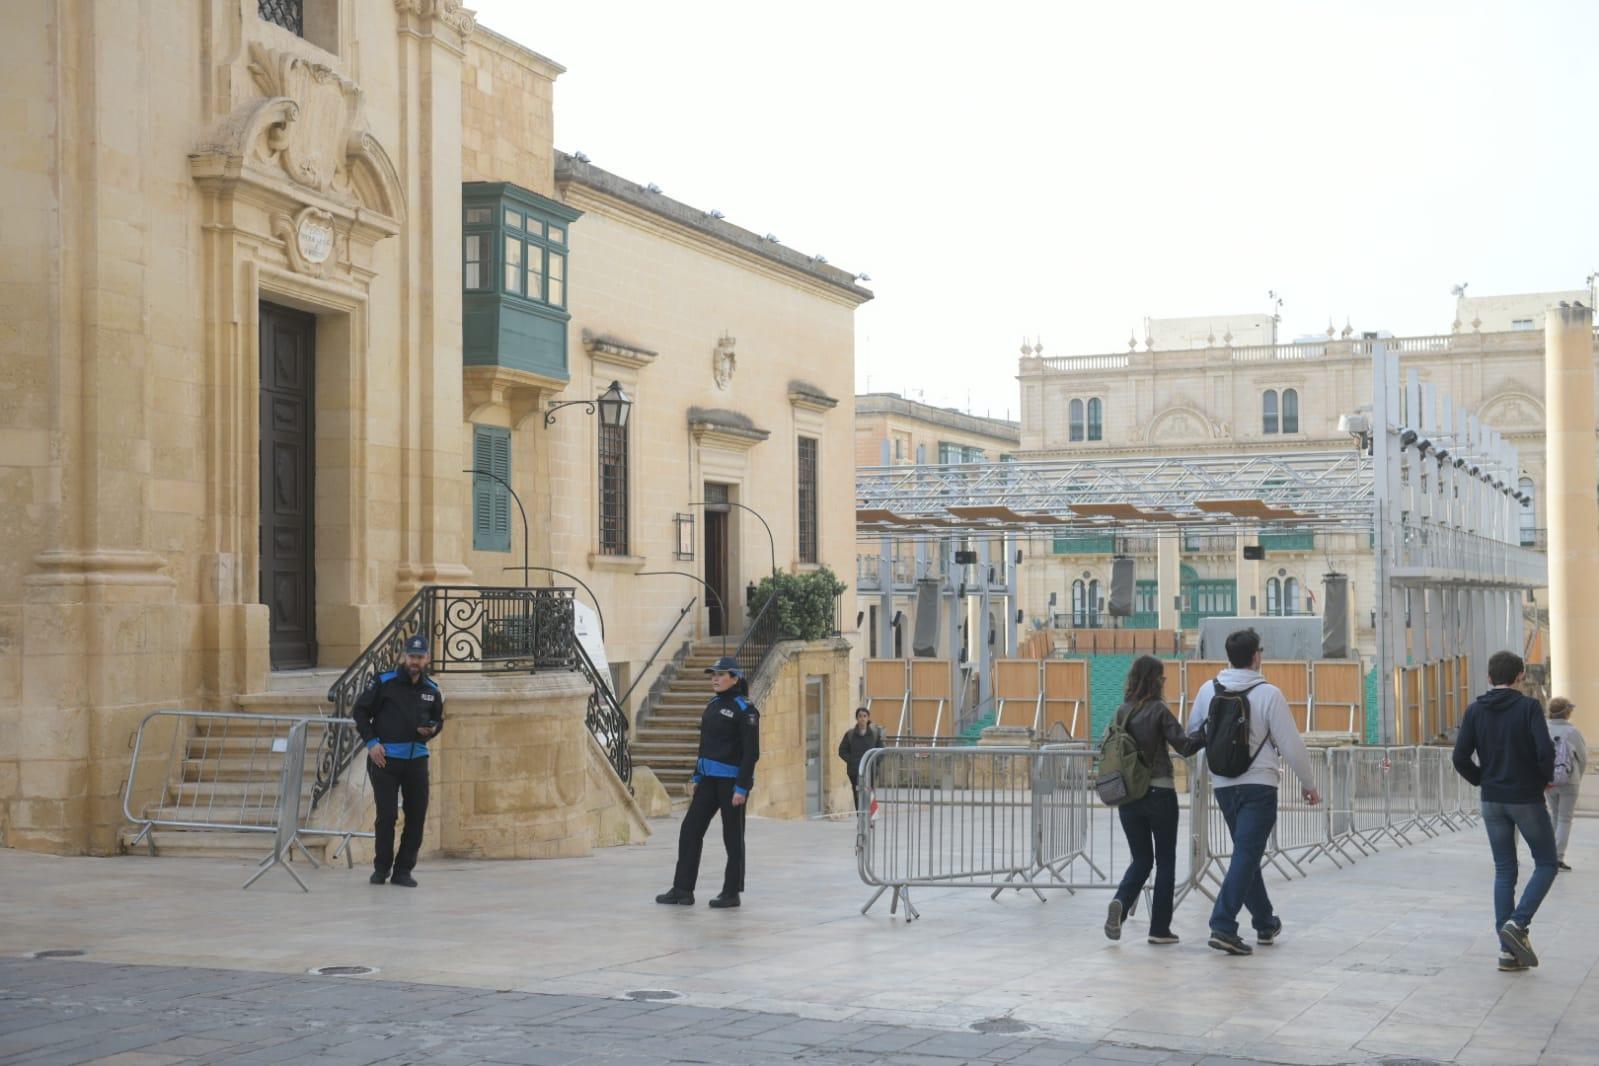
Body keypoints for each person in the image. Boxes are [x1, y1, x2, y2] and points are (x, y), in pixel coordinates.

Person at [1186, 628, 1320, 957]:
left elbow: (1193, 733)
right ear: (1257, 656)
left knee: (1247, 854)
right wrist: (1309, 784)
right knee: (1247, 854)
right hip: (1259, 785)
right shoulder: (1268, 694)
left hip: (1224, 786)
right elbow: (1291, 744)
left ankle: (1264, 921)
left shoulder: (1208, 690)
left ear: (1229, 656)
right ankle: (1222, 924)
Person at [1452, 651, 1557, 971]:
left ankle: (1506, 953)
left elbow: (1459, 757)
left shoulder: (1474, 710)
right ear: (1520, 676)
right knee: (1547, 863)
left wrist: (1484, 781)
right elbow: (1545, 749)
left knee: (1504, 871)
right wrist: (1543, 780)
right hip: (1525, 797)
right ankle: (1518, 923)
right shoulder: (1528, 707)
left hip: (1492, 800)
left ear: (1488, 677)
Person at [1104, 655, 1204, 946]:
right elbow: (1184, 746)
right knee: (1165, 861)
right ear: (1155, 680)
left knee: (1141, 859)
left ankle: (1121, 902)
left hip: (1128, 796)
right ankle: (1159, 929)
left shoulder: (1120, 712)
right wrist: (1207, 733)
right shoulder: (1159, 710)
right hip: (1160, 792)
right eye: (1162, 677)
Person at [656, 655, 760, 909]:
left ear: (735, 678)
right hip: (708, 782)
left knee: (732, 838)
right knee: (690, 830)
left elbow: (751, 753)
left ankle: (731, 892)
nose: (714, 678)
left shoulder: (745, 710)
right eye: (713, 673)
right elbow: (706, 744)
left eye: (720, 674)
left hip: (731, 784)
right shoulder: (713, 704)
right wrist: (697, 775)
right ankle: (682, 889)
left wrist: (742, 787)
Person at [353, 635, 444, 888]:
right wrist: (371, 743)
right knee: (387, 816)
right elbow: (360, 712)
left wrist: (432, 730)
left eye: (420, 657)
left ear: (427, 658)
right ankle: (381, 868)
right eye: (411, 656)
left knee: (416, 816)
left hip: (417, 761)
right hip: (386, 760)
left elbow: (439, 720)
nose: (415, 661)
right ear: (404, 656)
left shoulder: (432, 690)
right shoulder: (384, 682)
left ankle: (403, 870)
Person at [1546, 697, 1588, 872]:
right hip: (1570, 781)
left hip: (1548, 781)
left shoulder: (1543, 728)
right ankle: (1558, 857)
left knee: (1554, 816)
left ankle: (1550, 855)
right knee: (1565, 818)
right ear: (1567, 712)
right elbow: (1583, 758)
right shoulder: (1573, 732)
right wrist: (1578, 776)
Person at [838, 706, 885, 813]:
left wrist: (875, 762)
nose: (862, 719)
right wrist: (851, 760)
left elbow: (881, 751)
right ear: (857, 718)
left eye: (865, 716)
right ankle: (861, 820)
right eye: (860, 716)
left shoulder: (874, 734)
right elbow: (842, 751)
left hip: (871, 770)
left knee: (870, 794)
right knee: (858, 795)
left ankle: (870, 819)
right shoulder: (850, 735)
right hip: (855, 771)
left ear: (868, 718)